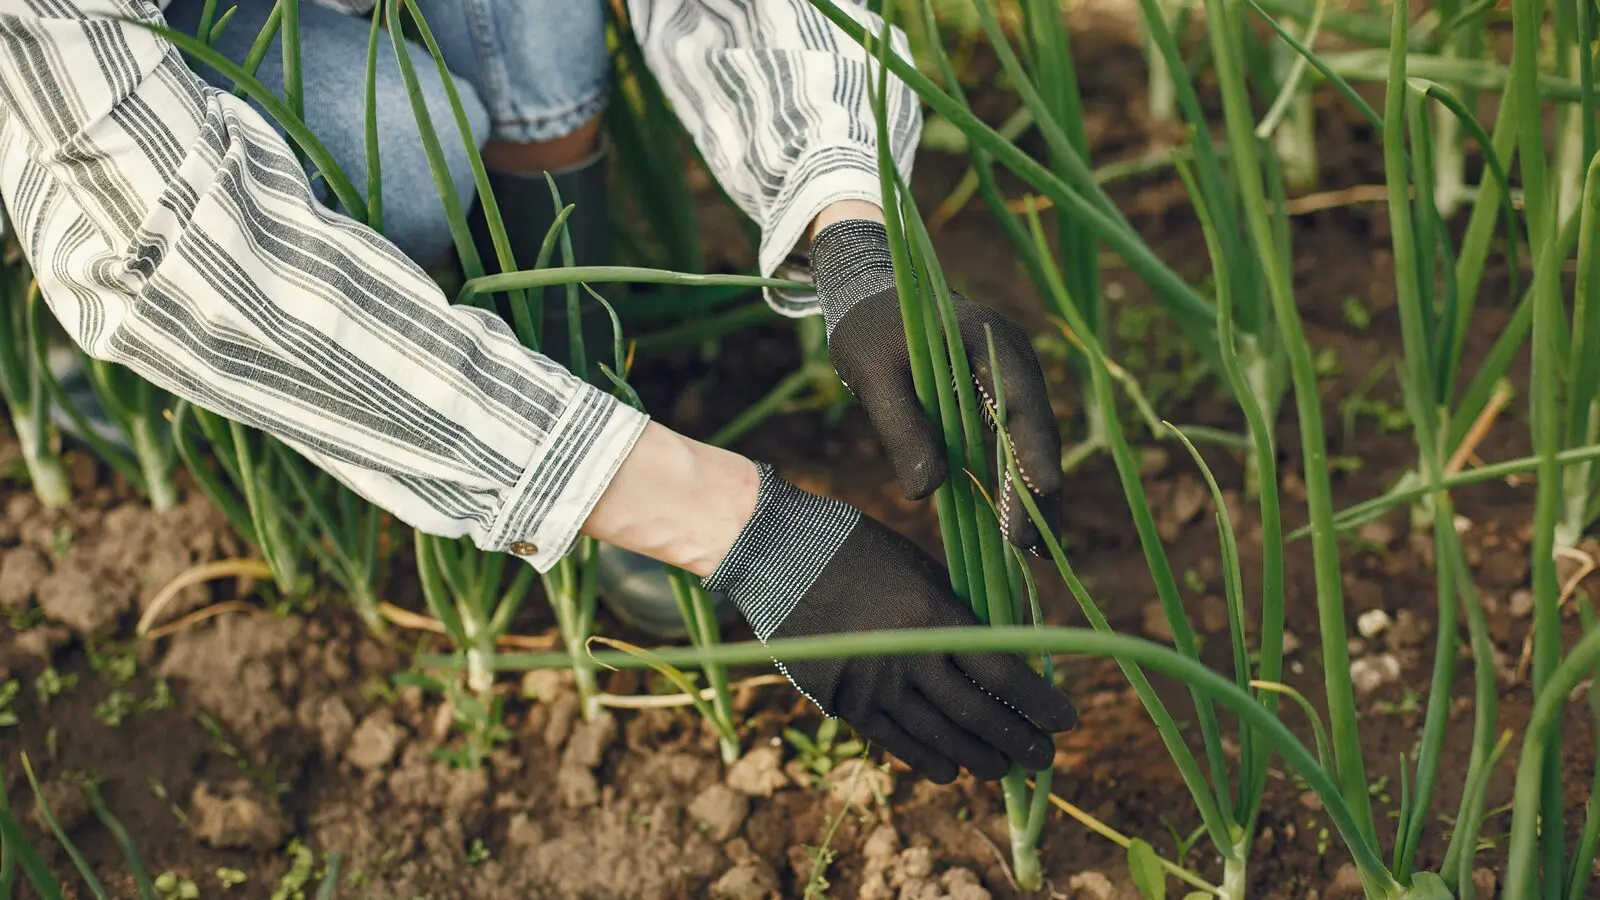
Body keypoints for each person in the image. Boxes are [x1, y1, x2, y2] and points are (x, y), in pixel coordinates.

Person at [0, 0, 1076, 785]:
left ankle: (569, 393)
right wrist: (746, 530)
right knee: (406, 149)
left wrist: (853, 230)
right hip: (86, 118)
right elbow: (169, 250)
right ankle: (581, 466)